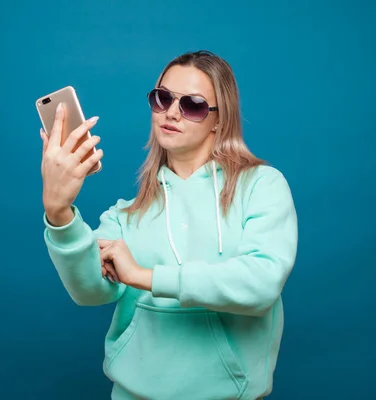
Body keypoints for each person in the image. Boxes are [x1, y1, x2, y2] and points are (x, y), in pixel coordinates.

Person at [40, 50, 298, 400]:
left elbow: (260, 283)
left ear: (219, 120)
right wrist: (60, 212)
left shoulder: (261, 186)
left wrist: (144, 276)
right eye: (162, 99)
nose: (171, 113)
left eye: (191, 105)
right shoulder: (127, 214)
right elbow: (89, 291)